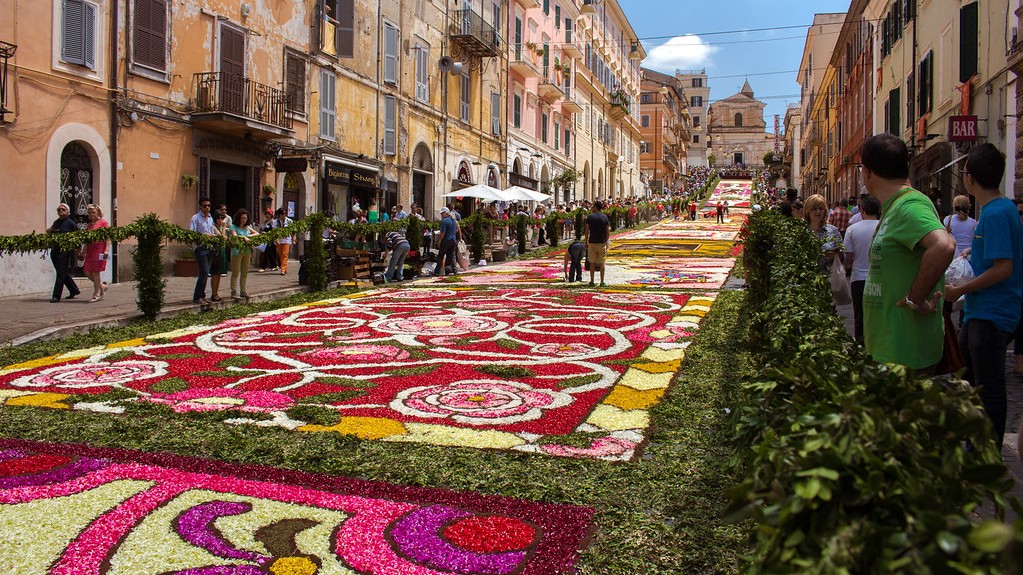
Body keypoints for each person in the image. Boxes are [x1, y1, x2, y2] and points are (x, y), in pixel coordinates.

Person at [944, 143, 1023, 449]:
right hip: (980, 311)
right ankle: (974, 440)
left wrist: (959, 290)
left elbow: (1003, 268)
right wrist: (970, 251)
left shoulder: (996, 213)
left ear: (971, 178)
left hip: (993, 311)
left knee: (988, 386)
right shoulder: (993, 211)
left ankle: (987, 449)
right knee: (968, 377)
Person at [861, 133, 955, 371]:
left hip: (904, 351)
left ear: (867, 171)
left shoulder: (909, 205)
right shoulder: (894, 206)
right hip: (890, 348)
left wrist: (915, 298)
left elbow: (943, 245)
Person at [843, 195, 881, 342]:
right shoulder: (884, 227)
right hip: (879, 277)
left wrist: (849, 265)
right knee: (878, 314)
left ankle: (860, 345)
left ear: (862, 210)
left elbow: (849, 255)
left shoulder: (852, 229)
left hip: (858, 278)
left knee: (859, 314)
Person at [47, 203, 81, 303]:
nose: (61, 211)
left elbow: (78, 237)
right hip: (55, 251)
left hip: (65, 252)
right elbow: (51, 234)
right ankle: (74, 290)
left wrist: (79, 252)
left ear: (67, 212)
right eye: (59, 210)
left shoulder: (71, 223)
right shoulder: (56, 223)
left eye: (63, 209)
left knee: (60, 273)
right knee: (62, 272)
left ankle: (56, 296)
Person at [804, 194, 842, 273]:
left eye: (821, 209)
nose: (818, 211)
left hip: (829, 278)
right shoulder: (801, 231)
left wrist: (832, 254)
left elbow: (842, 257)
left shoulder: (833, 231)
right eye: (814, 209)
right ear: (808, 210)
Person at [80, 203, 109, 302]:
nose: (91, 214)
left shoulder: (103, 223)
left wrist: (106, 250)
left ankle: (96, 294)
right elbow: (87, 241)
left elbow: (107, 237)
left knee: (95, 272)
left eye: (93, 212)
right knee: (87, 271)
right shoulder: (89, 225)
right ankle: (102, 286)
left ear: (98, 213)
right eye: (89, 212)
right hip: (90, 250)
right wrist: (83, 252)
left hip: (99, 249)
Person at [189, 198, 216, 304]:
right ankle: (197, 296)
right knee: (204, 271)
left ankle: (202, 294)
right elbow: (192, 233)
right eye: (205, 206)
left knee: (206, 272)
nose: (207, 208)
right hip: (200, 247)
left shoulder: (210, 218)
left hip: (209, 247)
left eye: (208, 205)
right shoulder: (195, 218)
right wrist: (204, 235)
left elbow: (212, 230)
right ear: (200, 207)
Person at [229, 208, 259, 299]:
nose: (243, 220)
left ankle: (243, 290)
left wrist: (249, 235)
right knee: (235, 271)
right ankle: (234, 291)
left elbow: (257, 233)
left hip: (246, 251)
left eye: (245, 218)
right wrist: (244, 237)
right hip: (237, 251)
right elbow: (235, 236)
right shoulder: (233, 226)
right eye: (242, 218)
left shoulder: (247, 227)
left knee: (245, 272)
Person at [585, 200, 611, 287]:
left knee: (592, 262)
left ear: (596, 207)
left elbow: (586, 231)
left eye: (593, 206)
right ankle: (602, 281)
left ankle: (592, 281)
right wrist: (607, 241)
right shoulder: (605, 217)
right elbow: (607, 231)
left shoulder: (590, 217)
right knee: (602, 262)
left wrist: (586, 241)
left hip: (592, 242)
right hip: (601, 242)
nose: (592, 208)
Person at [436, 207, 460, 276]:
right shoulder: (454, 221)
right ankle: (453, 271)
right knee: (451, 256)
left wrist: (439, 240)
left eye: (442, 213)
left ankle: (437, 271)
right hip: (453, 240)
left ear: (446, 213)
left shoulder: (445, 221)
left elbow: (442, 232)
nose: (441, 215)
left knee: (440, 256)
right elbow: (457, 230)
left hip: (446, 241)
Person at [273, 208, 295, 275]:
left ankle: (283, 269)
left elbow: (293, 231)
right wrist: (276, 239)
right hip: (279, 239)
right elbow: (274, 232)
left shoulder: (289, 221)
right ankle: (284, 268)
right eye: (282, 214)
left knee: (285, 254)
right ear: (279, 215)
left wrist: (294, 238)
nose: (284, 215)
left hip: (287, 239)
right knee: (280, 254)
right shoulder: (275, 222)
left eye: (285, 214)